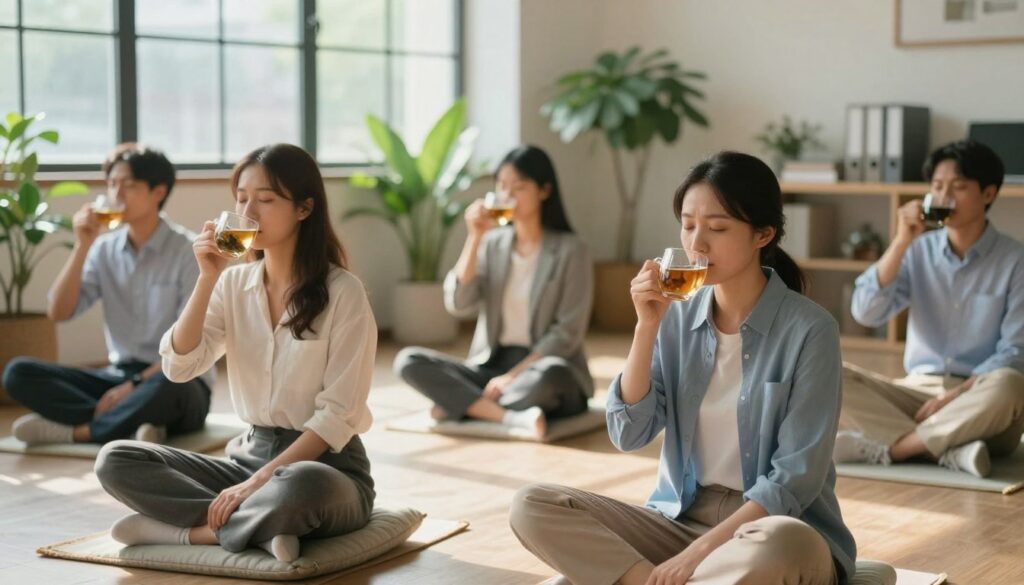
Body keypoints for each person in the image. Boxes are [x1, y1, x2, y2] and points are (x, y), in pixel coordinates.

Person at [510, 151, 856, 585]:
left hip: (768, 526)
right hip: (679, 520)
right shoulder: (675, 317)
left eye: (717, 228)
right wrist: (646, 327)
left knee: (783, 544)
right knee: (532, 505)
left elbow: (794, 481)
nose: (697, 244)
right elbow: (629, 433)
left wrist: (696, 555)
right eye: (688, 225)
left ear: (763, 234)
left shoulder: (810, 329)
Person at [93, 144, 377, 562]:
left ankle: (191, 534)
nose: (249, 212)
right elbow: (179, 366)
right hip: (248, 457)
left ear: (304, 208)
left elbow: (338, 416)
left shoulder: (343, 293)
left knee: (300, 487)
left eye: (266, 200)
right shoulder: (232, 284)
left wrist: (257, 484)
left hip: (325, 466)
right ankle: (258, 530)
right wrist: (207, 278)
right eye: (241, 199)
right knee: (116, 459)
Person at [836, 140, 1024, 478]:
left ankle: (896, 448)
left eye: (958, 187)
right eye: (937, 186)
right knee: (829, 374)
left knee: (1010, 385)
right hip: (918, 394)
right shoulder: (916, 251)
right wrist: (901, 241)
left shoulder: (1015, 261)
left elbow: (1016, 351)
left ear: (988, 193)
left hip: (980, 399)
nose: (943, 197)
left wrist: (957, 396)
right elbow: (865, 312)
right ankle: (950, 450)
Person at [3, 143, 211, 445]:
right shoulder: (103, 250)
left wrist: (135, 385)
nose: (116, 194)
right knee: (18, 373)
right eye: (112, 184)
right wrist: (82, 246)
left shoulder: (189, 252)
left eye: (129, 185)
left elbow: (189, 353)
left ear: (159, 192)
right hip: (117, 376)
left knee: (174, 386)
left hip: (173, 376)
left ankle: (80, 431)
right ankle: (134, 424)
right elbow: (58, 312)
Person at [394, 145, 593, 438]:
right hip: (491, 367)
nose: (507, 196)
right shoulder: (492, 244)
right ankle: (507, 416)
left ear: (544, 190)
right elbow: (459, 303)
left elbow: (567, 334)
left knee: (552, 376)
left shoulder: (571, 250)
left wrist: (512, 377)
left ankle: (461, 404)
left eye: (519, 187)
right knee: (408, 361)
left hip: (541, 366)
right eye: (501, 186)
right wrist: (475, 238)